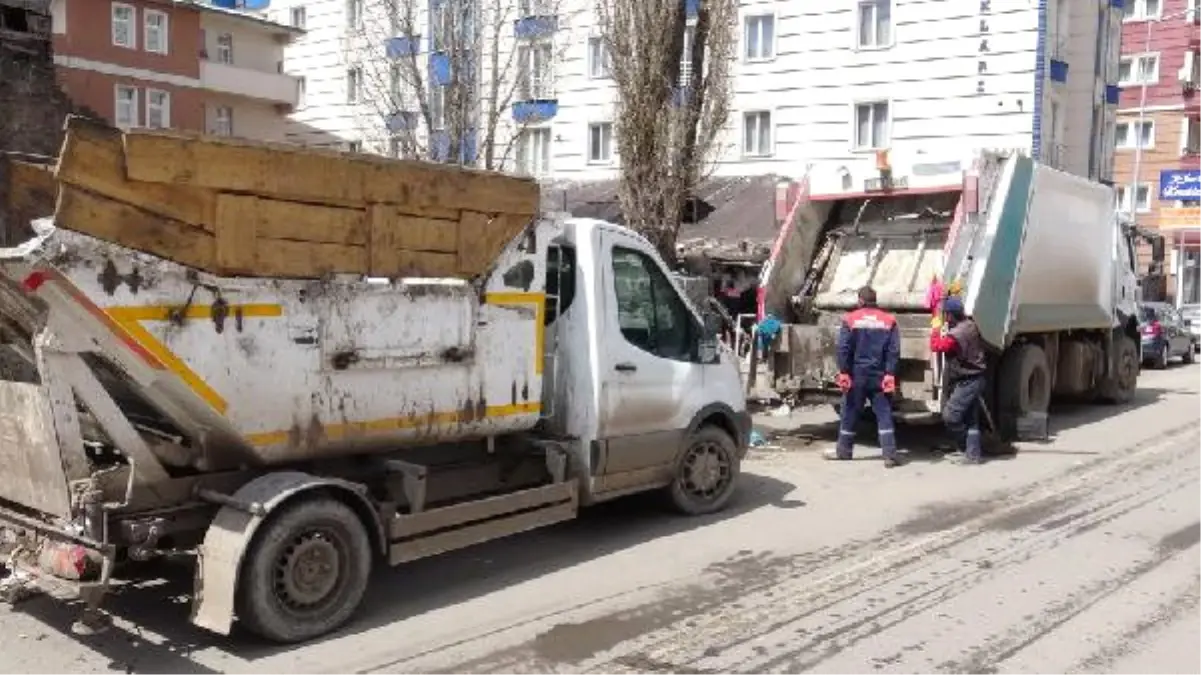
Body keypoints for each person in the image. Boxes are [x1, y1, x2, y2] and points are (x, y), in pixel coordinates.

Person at [826, 286, 902, 468]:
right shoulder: (889, 320)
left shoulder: (850, 319)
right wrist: (890, 373)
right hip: (879, 374)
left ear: (860, 300)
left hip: (857, 374)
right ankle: (890, 454)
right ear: (875, 300)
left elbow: (843, 348)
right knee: (884, 413)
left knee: (850, 411)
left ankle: (844, 452)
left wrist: (844, 371)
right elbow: (894, 350)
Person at [929, 295, 989, 464]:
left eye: (944, 314)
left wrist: (935, 329)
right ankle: (973, 454)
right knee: (971, 418)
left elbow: (937, 346)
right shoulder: (970, 325)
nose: (943, 317)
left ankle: (965, 446)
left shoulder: (957, 333)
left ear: (950, 315)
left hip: (968, 380)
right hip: (974, 378)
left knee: (951, 416)